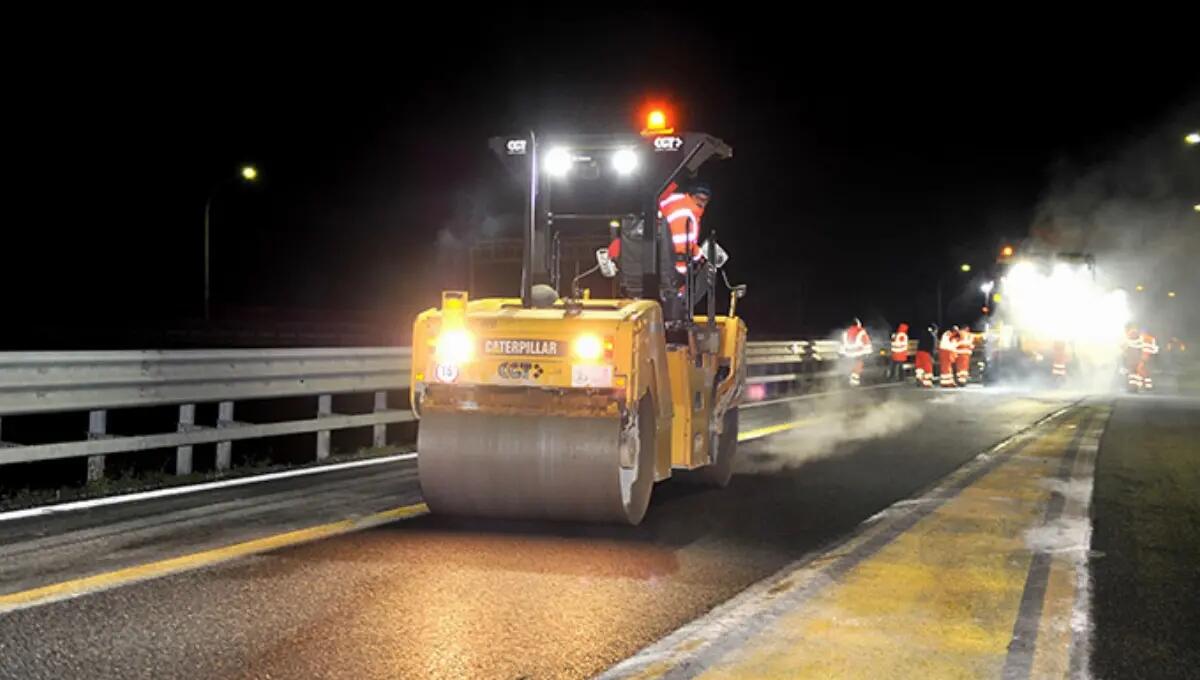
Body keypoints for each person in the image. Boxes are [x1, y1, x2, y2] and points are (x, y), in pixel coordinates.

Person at [841, 318, 873, 387]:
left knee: (850, 366)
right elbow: (867, 342)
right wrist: (868, 352)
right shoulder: (861, 331)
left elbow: (843, 343)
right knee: (858, 366)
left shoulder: (846, 332)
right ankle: (854, 381)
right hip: (858, 352)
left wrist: (843, 353)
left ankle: (848, 380)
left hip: (848, 353)